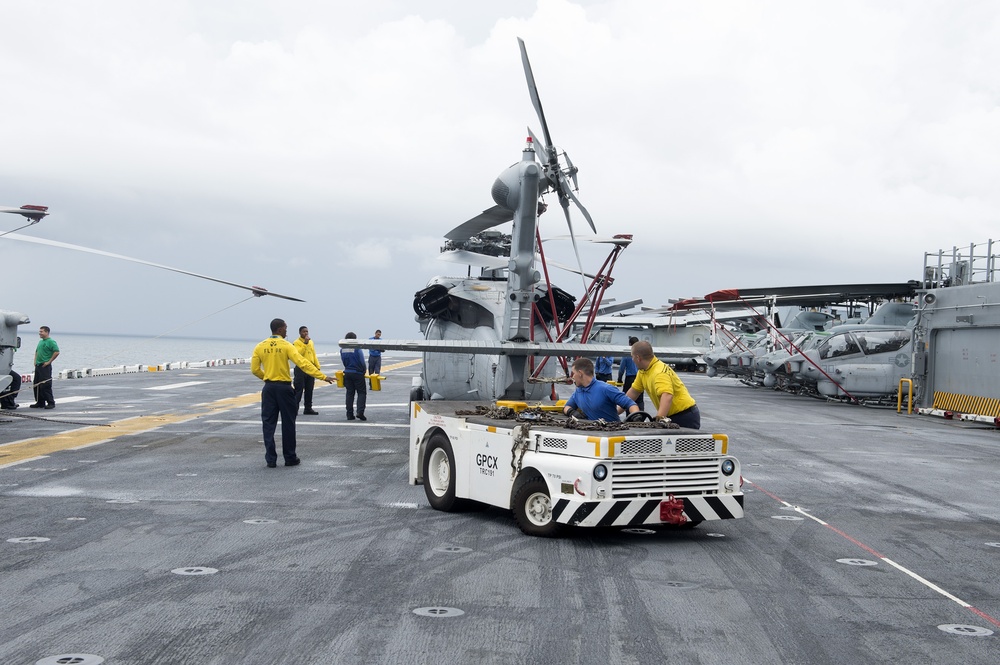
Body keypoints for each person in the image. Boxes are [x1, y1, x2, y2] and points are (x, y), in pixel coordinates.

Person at [251, 318, 334, 468]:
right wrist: (322, 376)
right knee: (288, 423)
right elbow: (303, 363)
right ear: (280, 329)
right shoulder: (287, 346)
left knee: (268, 424)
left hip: (269, 388)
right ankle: (290, 457)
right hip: (284, 388)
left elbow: (254, 369)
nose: (287, 331)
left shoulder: (260, 346)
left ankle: (271, 459)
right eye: (285, 328)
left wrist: (268, 378)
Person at [625, 340, 701, 429]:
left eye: (632, 357)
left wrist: (659, 420)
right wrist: (615, 411)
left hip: (685, 416)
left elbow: (667, 395)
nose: (632, 359)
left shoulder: (659, 372)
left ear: (638, 358)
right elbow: (633, 392)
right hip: (671, 416)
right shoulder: (643, 371)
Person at [563, 357, 639, 422]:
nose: (572, 377)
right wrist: (571, 412)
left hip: (612, 434)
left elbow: (630, 404)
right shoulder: (578, 391)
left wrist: (636, 417)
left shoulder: (606, 389)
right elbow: (567, 407)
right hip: (593, 434)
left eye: (573, 373)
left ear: (580, 373)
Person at [293, 325, 320, 415]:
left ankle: (308, 408)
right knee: (299, 389)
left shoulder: (311, 342)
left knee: (309, 389)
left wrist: (317, 366)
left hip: (310, 367)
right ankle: (294, 408)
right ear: (300, 333)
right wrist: (304, 343)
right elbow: (298, 354)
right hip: (301, 368)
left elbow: (313, 354)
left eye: (307, 331)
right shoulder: (296, 342)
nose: (306, 333)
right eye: (304, 332)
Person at [30, 326, 59, 409]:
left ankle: (50, 402)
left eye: (41, 331)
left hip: (45, 366)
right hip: (38, 365)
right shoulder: (40, 342)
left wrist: (49, 362)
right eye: (40, 331)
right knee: (36, 384)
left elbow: (56, 352)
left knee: (46, 385)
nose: (40, 333)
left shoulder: (51, 341)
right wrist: (35, 361)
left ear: (46, 332)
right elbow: (36, 351)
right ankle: (40, 402)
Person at [341, 332, 367, 421]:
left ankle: (349, 414)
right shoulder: (357, 348)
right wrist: (364, 370)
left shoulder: (342, 349)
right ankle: (360, 412)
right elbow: (361, 360)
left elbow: (343, 361)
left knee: (349, 393)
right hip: (358, 373)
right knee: (362, 392)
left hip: (347, 372)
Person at [617, 336, 644, 411]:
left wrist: (619, 378)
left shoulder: (627, 354)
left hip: (630, 378)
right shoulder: (641, 354)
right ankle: (641, 416)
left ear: (629, 344)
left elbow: (622, 368)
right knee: (640, 400)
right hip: (640, 377)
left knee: (628, 400)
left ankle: (630, 416)